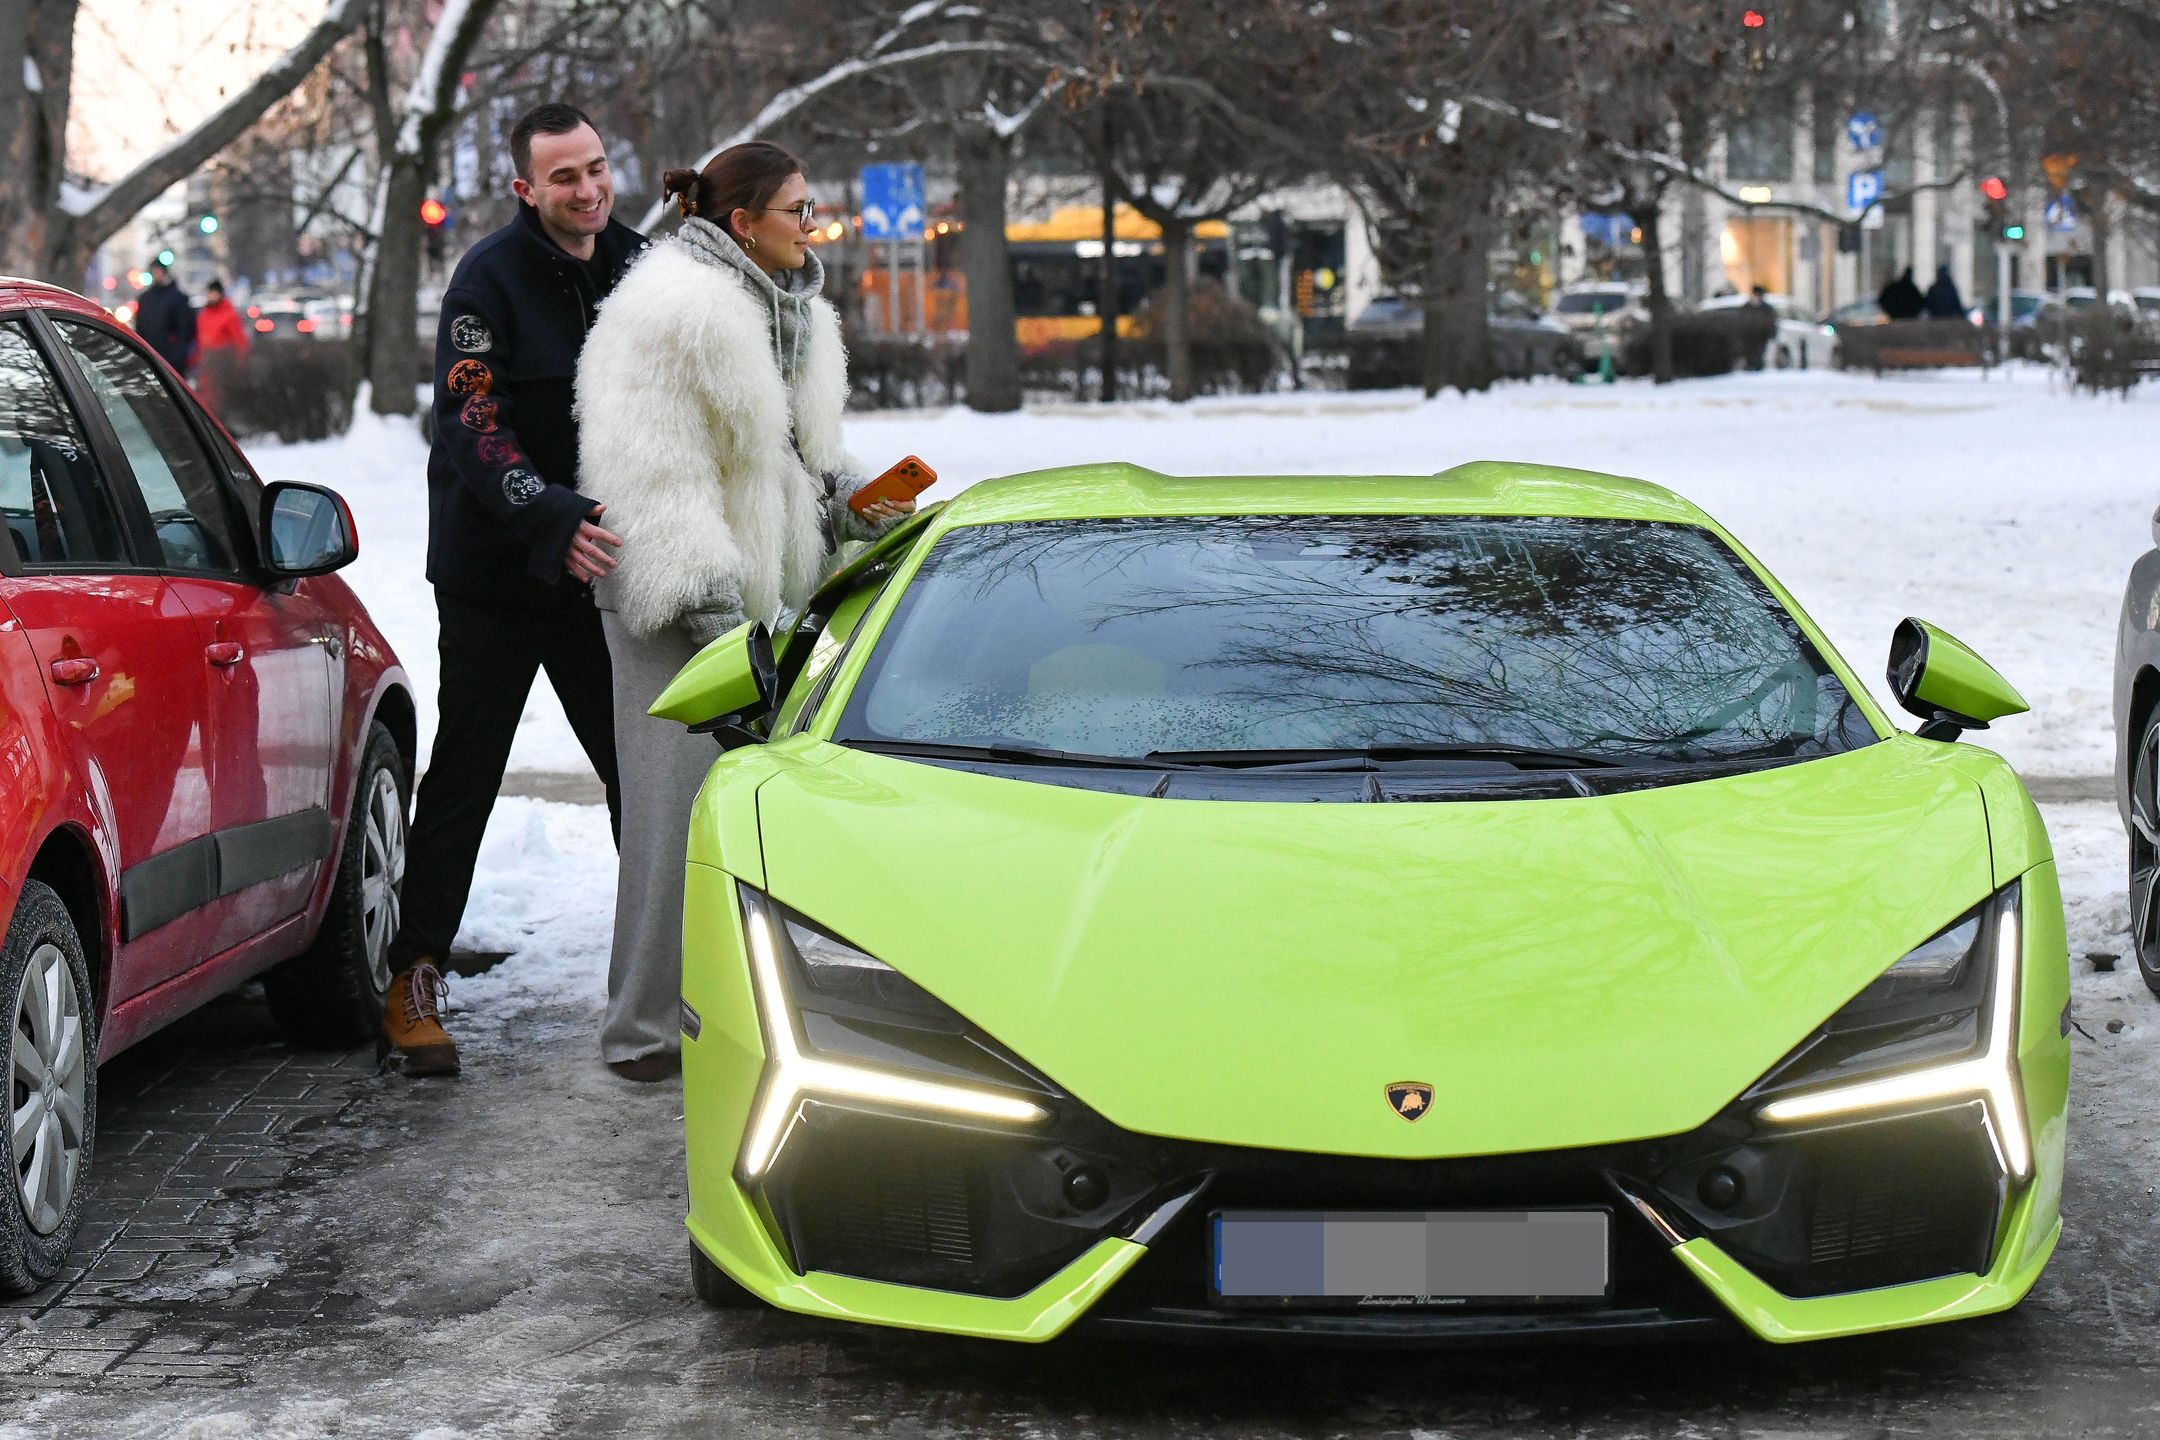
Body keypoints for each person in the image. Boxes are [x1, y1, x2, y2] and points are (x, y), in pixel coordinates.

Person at [574, 142, 913, 1081]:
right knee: (671, 819)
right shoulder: (667, 310)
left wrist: (854, 501)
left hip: (766, 601)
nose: (814, 226)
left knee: (758, 824)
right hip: (684, 609)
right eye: (798, 211)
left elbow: (796, 461)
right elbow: (651, 479)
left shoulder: (793, 311)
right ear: (742, 224)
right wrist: (713, 614)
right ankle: (642, 1031)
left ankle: (734, 1016)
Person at [380, 102, 647, 1078]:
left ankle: (667, 975)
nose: (586, 189)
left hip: (600, 570)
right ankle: (413, 980)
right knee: (467, 774)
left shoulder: (643, 268)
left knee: (641, 774)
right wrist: (548, 515)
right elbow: (471, 420)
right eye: (563, 177)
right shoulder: (484, 280)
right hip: (497, 571)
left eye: (595, 167)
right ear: (526, 189)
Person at [192, 280, 250, 417]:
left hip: (223, 363)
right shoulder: (203, 315)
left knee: (220, 396)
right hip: (206, 363)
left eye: (213, 293)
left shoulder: (229, 315)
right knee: (207, 394)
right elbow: (199, 340)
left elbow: (240, 341)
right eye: (209, 293)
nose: (211, 296)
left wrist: (240, 362)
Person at [131, 260, 196, 376]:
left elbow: (185, 328)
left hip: (171, 359)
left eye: (158, 271)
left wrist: (178, 354)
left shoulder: (177, 298)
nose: (156, 274)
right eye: (154, 271)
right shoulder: (145, 298)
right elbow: (140, 328)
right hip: (150, 357)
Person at [1740, 285, 1777, 370]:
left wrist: (1771, 333)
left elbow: (1771, 322)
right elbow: (1742, 321)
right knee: (1749, 354)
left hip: (1762, 336)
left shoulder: (1766, 308)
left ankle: (1757, 367)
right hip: (1748, 336)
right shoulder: (1746, 307)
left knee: (1759, 354)